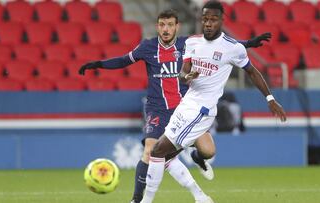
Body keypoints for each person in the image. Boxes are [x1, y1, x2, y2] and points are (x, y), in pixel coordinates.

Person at [79, 9, 272, 203]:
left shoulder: (188, 43)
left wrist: (248, 43)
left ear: (177, 27)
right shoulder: (147, 47)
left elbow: (220, 44)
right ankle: (137, 200)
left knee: (208, 151)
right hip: (158, 109)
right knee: (150, 151)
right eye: (162, 25)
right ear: (157, 27)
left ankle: (198, 159)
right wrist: (98, 64)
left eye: (170, 25)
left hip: (186, 108)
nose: (166, 29)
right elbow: (122, 60)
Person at [140, 1, 287, 203]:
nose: (208, 23)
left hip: (201, 111)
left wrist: (270, 98)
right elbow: (183, 73)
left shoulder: (232, 48)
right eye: (205, 19)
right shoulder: (192, 42)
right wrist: (187, 76)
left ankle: (146, 201)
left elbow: (252, 72)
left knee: (158, 152)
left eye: (213, 19)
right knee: (166, 156)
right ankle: (201, 197)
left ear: (221, 21)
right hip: (186, 105)